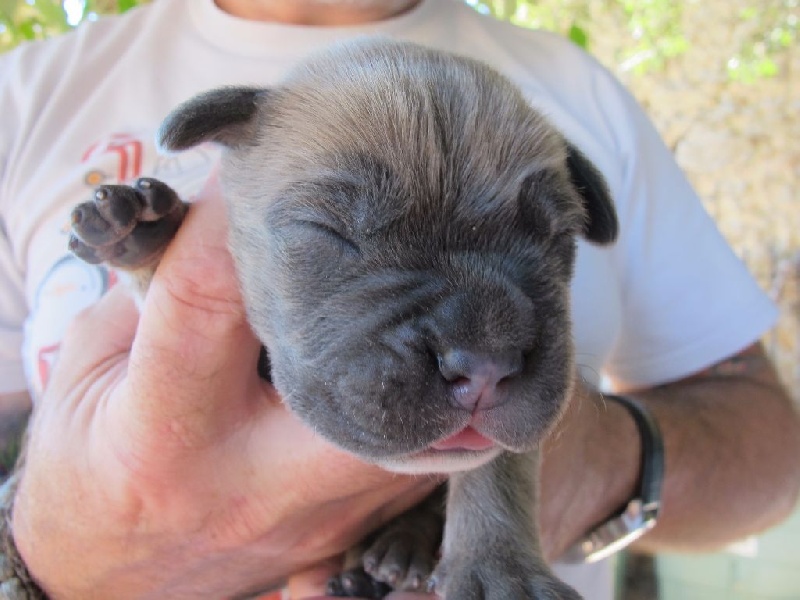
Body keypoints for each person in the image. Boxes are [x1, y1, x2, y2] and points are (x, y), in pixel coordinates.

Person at [0, 0, 798, 599]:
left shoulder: (582, 92)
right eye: (337, 236)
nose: (484, 354)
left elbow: (770, 451)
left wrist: (594, 465)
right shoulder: (28, 95)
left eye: (550, 240)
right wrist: (48, 557)